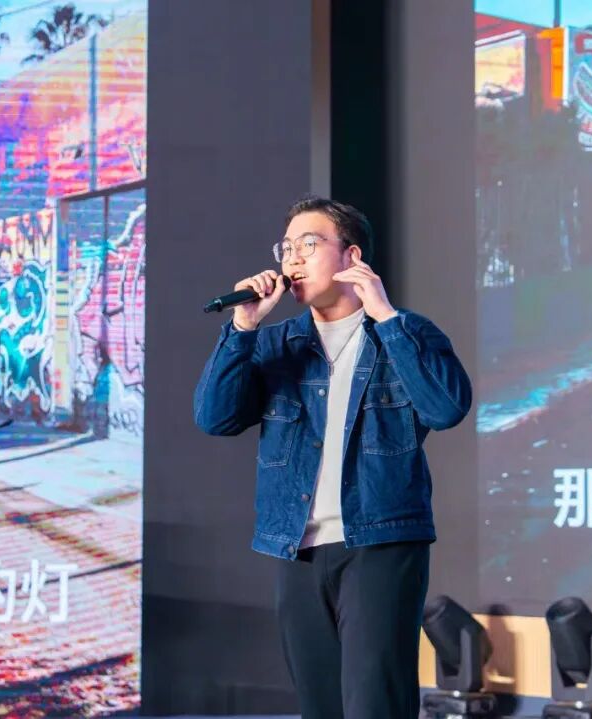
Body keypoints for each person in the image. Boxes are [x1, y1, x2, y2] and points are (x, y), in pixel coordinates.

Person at [193, 195, 471, 718]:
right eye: (286, 248)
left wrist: (385, 317)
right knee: (320, 708)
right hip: (297, 548)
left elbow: (446, 408)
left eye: (308, 244)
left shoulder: (406, 332)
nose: (292, 259)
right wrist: (244, 328)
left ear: (351, 257)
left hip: (380, 544)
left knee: (374, 705)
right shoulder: (276, 345)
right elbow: (215, 418)